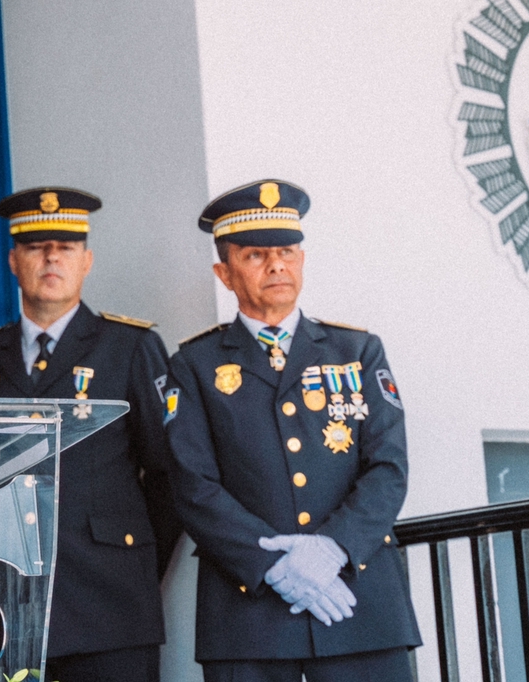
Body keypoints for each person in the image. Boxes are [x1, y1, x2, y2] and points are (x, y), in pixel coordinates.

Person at [163, 179, 421, 682]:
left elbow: (388, 466)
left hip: (358, 603)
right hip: (250, 615)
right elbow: (192, 485)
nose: (277, 265)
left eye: (287, 251)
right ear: (224, 272)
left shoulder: (357, 351)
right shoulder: (194, 364)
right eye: (256, 255)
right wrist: (276, 567)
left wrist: (332, 549)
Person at [0, 187, 181, 682]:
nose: (52, 256)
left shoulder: (130, 347)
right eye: (36, 246)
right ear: (14, 260)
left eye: (66, 246)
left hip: (112, 606)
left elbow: (167, 476)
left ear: (87, 261)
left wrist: (134, 566)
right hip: (9, 607)